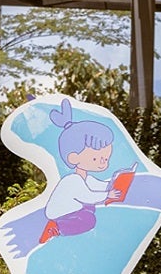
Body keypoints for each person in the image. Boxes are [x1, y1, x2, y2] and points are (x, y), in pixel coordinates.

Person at [40, 98, 124, 242]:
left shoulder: (87, 179)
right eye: (96, 159)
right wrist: (107, 194)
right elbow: (88, 196)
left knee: (89, 211)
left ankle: (59, 227)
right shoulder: (73, 181)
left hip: (74, 209)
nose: (103, 163)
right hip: (61, 214)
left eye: (106, 158)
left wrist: (116, 181)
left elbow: (99, 185)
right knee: (89, 220)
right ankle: (56, 228)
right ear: (74, 158)